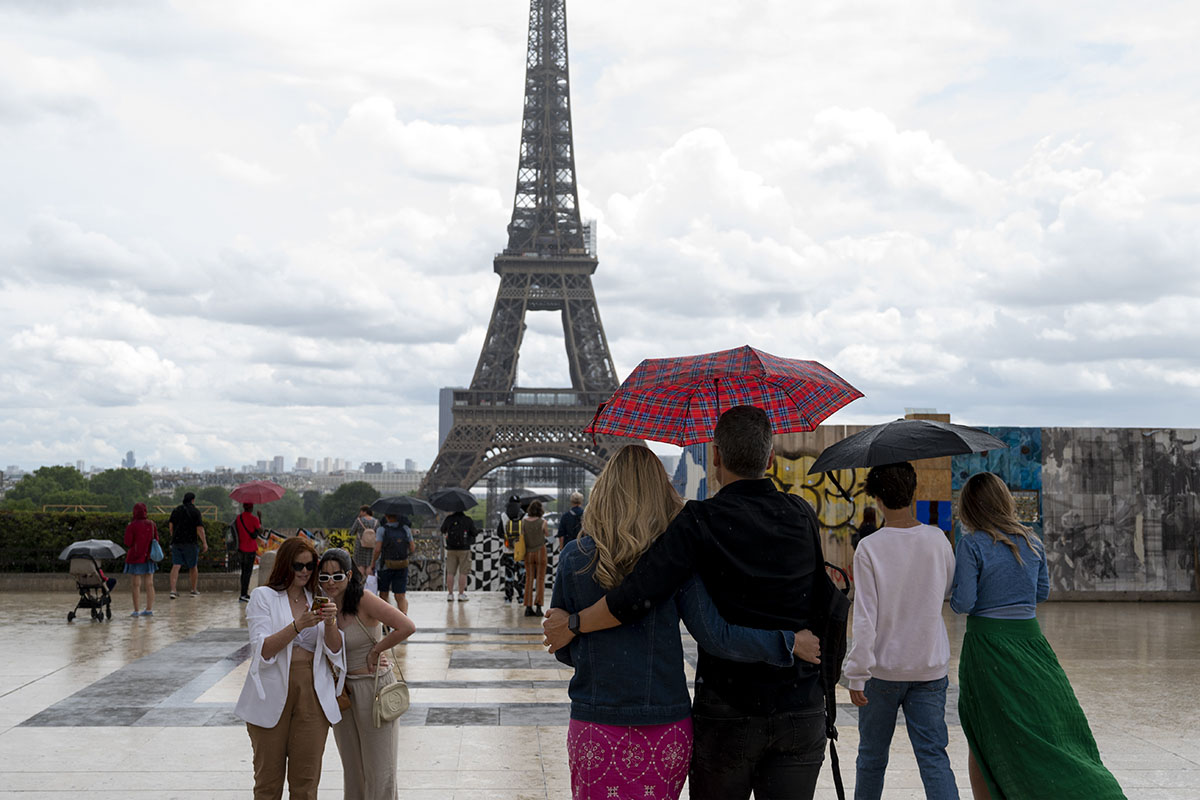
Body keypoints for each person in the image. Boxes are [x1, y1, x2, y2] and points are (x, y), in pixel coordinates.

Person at [544, 405, 829, 800]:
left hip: (700, 710)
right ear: (771, 457)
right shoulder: (802, 512)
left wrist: (576, 626)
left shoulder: (695, 524)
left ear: (715, 456)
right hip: (791, 703)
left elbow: (629, 601)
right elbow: (818, 600)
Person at [951, 472, 1125, 800]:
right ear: (1005, 501)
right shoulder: (1032, 541)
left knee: (983, 731)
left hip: (987, 646)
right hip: (1032, 644)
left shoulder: (972, 544)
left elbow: (964, 603)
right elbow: (1041, 592)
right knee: (1050, 726)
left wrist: (955, 584)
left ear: (969, 507)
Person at [843, 462, 958, 800]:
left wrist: (857, 674)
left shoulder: (870, 548)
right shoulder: (938, 540)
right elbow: (947, 589)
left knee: (871, 758)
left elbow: (865, 618)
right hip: (930, 668)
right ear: (914, 493)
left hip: (882, 672)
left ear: (876, 498)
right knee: (934, 758)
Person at [234, 536, 345, 800]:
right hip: (272, 691)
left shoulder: (317, 598)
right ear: (286, 565)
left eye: (309, 566)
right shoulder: (264, 597)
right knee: (267, 782)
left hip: (312, 691)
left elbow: (335, 650)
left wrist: (329, 623)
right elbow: (262, 650)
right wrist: (298, 625)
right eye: (298, 566)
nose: (305, 572)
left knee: (306, 783)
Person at [317, 548, 416, 800]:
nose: (330, 583)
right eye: (324, 577)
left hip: (373, 688)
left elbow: (406, 626)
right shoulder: (321, 605)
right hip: (343, 693)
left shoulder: (363, 599)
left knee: (380, 767)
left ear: (349, 575)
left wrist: (377, 650)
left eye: (337, 576)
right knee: (353, 767)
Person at [369, 513, 413, 615]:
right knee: (400, 596)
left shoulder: (382, 530)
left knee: (384, 594)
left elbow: (377, 549)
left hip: (385, 566)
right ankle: (404, 618)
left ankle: (387, 622)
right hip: (402, 565)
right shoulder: (406, 529)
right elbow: (412, 548)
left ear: (386, 517)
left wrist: (373, 563)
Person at [168, 491, 208, 599]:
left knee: (176, 565)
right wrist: (204, 542)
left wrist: (173, 536)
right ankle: (193, 589)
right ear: (193, 500)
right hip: (190, 542)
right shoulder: (195, 512)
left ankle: (173, 590)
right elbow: (200, 529)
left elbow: (171, 526)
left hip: (177, 542)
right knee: (193, 566)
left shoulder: (176, 510)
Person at [123, 502, 158, 617]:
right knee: (150, 584)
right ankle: (149, 609)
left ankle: (136, 610)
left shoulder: (131, 525)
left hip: (135, 557)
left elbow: (127, 542)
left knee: (136, 584)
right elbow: (156, 539)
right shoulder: (152, 524)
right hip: (149, 557)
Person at [440, 509, 478, 602]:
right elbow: (474, 532)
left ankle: (450, 594)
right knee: (463, 572)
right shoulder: (467, 520)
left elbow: (442, 530)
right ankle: (461, 594)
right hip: (464, 550)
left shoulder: (449, 519)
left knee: (450, 572)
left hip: (451, 549)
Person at [522, 500, 549, 617]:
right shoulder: (543, 522)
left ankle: (528, 607)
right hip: (540, 552)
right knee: (540, 579)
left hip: (528, 552)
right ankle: (538, 607)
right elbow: (547, 535)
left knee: (528, 579)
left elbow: (522, 536)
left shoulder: (523, 522)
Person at [498, 494, 526, 602]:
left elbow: (499, 532)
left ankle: (508, 597)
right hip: (521, 550)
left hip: (508, 550)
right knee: (522, 574)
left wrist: (507, 538)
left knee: (509, 575)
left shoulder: (504, 516)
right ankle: (522, 596)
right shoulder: (524, 516)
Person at [235, 502, 263, 602]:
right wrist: (260, 517)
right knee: (248, 572)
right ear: (251, 507)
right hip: (250, 548)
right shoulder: (253, 519)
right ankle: (243, 594)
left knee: (243, 572)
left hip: (241, 548)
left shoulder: (239, 518)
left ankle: (243, 593)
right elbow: (260, 531)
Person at [349, 506, 379, 578]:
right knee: (369, 565)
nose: (360, 513)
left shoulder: (359, 520)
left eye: (361, 511)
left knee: (360, 565)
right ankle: (369, 584)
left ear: (364, 512)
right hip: (371, 546)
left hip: (360, 546)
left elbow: (352, 532)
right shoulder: (376, 521)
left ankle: (360, 583)